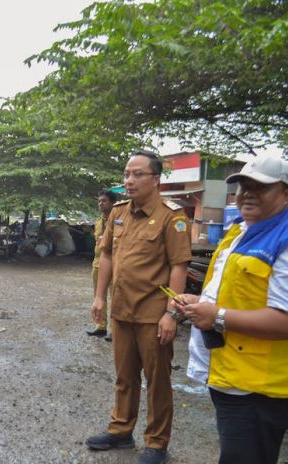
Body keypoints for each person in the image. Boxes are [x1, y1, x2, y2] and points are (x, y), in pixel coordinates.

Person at [175, 156, 288, 464]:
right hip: (234, 376)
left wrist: (218, 316)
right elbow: (236, 293)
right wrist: (199, 303)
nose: (248, 193)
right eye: (243, 186)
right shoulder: (240, 230)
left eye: (260, 187)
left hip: (261, 389)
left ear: (287, 193)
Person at [86, 150, 192, 464]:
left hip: (153, 314)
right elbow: (106, 256)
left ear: (156, 179)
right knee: (124, 375)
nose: (129, 181)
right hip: (121, 310)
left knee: (157, 381)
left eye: (137, 175)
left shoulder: (172, 217)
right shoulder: (117, 213)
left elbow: (179, 266)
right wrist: (98, 298)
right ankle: (120, 430)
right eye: (127, 175)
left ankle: (157, 444)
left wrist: (172, 312)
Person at [87, 189, 117, 341]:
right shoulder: (98, 222)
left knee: (115, 297)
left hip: (115, 264)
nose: (100, 204)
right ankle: (101, 327)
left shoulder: (119, 220)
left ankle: (114, 330)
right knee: (99, 297)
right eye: (99, 201)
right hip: (98, 263)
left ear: (112, 203)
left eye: (104, 201)